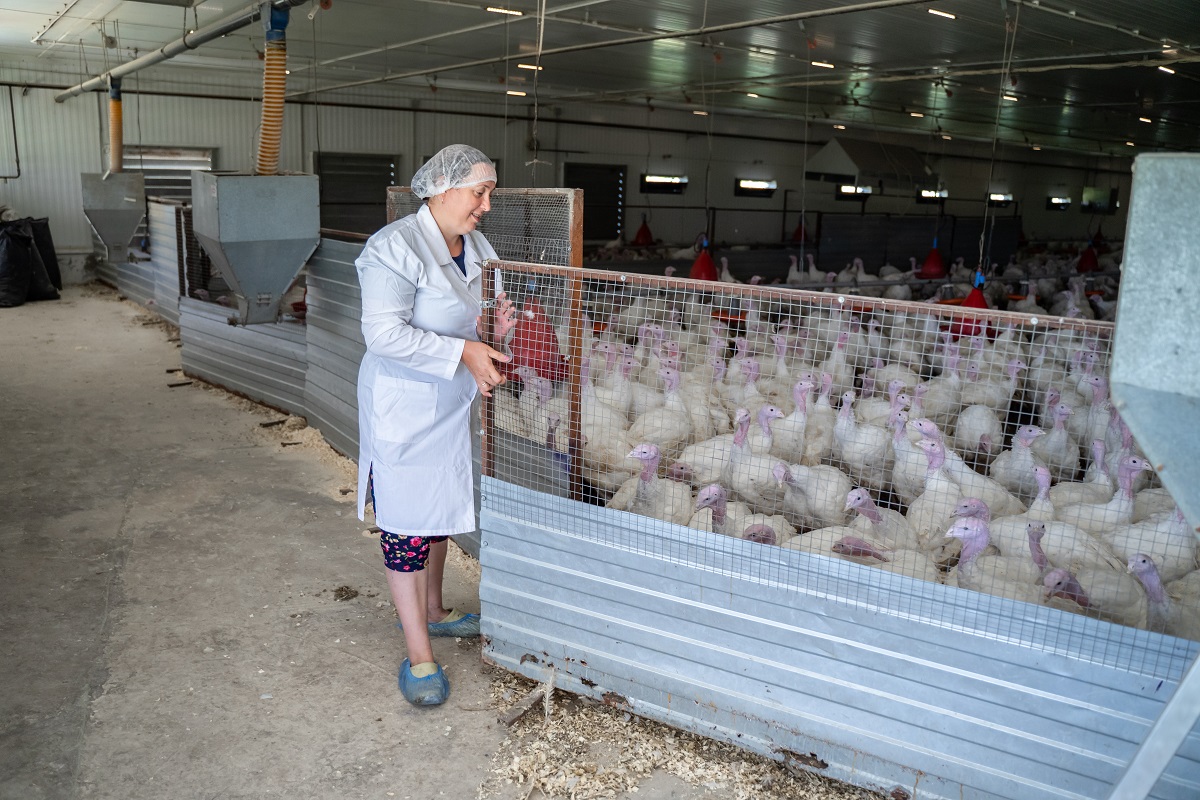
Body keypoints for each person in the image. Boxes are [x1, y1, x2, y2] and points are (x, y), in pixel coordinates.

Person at [354, 144, 516, 707]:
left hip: (450, 404)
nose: (487, 205)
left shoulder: (476, 244)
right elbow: (384, 336)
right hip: (403, 406)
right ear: (443, 190)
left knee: (442, 508)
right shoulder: (393, 248)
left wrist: (501, 321)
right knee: (406, 525)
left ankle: (435, 609)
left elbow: (486, 301)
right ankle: (419, 655)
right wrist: (464, 352)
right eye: (481, 192)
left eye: (489, 192)